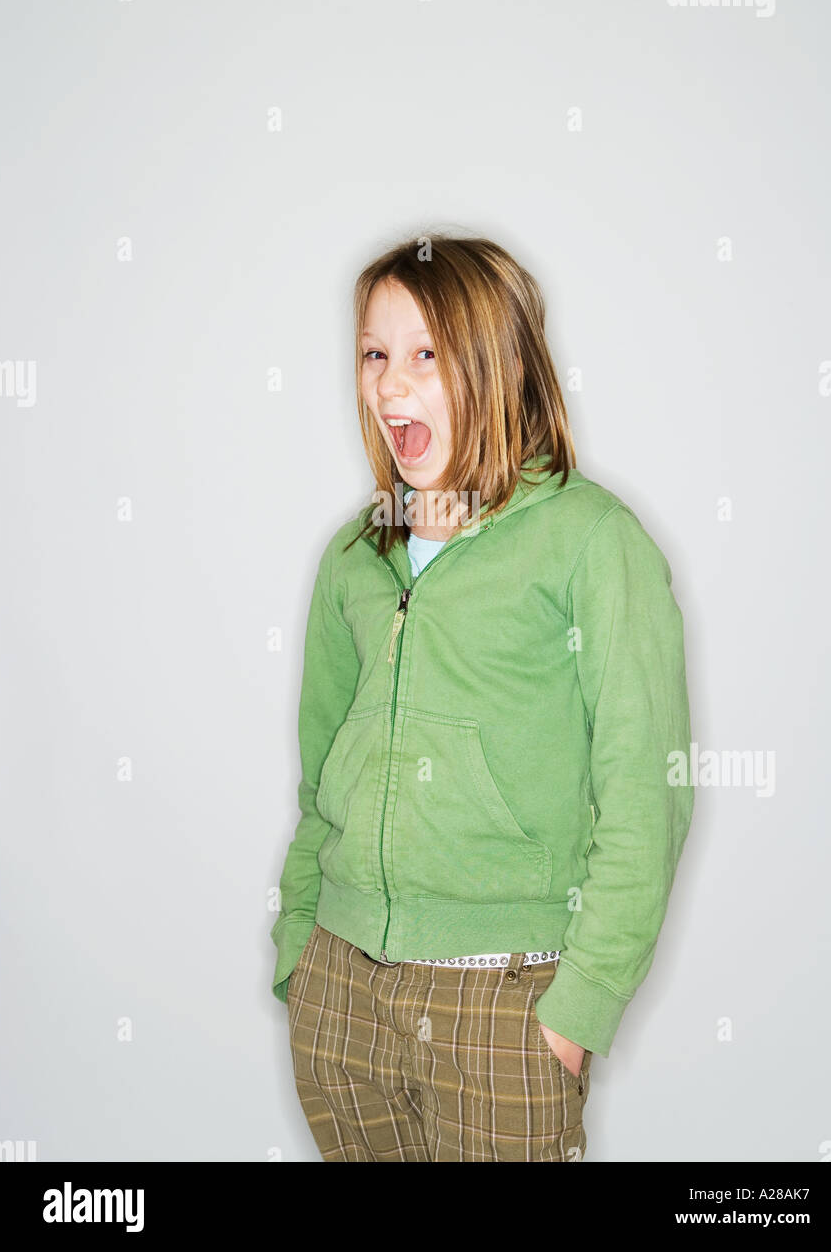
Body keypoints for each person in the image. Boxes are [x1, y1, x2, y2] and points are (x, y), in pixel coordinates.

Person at [270, 233, 694, 1162]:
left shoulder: (592, 542)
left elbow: (647, 794)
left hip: (500, 999)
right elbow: (319, 780)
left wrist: (577, 1013)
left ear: (499, 363)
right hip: (341, 992)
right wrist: (299, 951)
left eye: (425, 354)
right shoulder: (355, 557)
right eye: (375, 354)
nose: (388, 388)